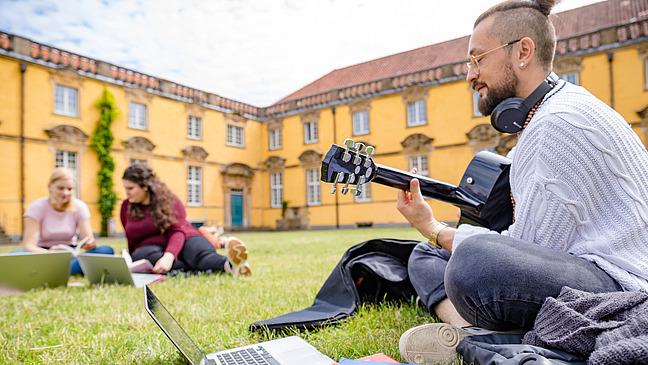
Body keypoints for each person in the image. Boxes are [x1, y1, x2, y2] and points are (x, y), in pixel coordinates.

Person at [396, 0, 648, 363]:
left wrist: (433, 227)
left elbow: (528, 248)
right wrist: (435, 235)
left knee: (473, 262)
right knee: (425, 255)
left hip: (623, 287)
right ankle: (476, 333)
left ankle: (475, 334)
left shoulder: (554, 124)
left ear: (523, 52)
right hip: (591, 268)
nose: (470, 75)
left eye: (478, 59)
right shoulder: (558, 108)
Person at [120, 163, 251, 277]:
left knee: (198, 253)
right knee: (141, 255)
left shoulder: (169, 200)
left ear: (145, 186)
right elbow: (131, 238)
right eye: (126, 188)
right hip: (153, 249)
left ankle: (230, 265)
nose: (127, 192)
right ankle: (206, 268)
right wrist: (131, 262)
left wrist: (169, 256)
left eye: (130, 188)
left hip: (185, 238)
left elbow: (177, 231)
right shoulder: (126, 207)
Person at [17, 167, 114, 275]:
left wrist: (89, 244)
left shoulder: (80, 207)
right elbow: (29, 245)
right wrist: (49, 253)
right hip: (44, 253)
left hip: (70, 253)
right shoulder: (37, 206)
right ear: (50, 186)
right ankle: (64, 270)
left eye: (70, 189)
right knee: (15, 255)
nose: (65, 193)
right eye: (60, 188)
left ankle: (50, 271)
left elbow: (87, 239)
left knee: (106, 250)